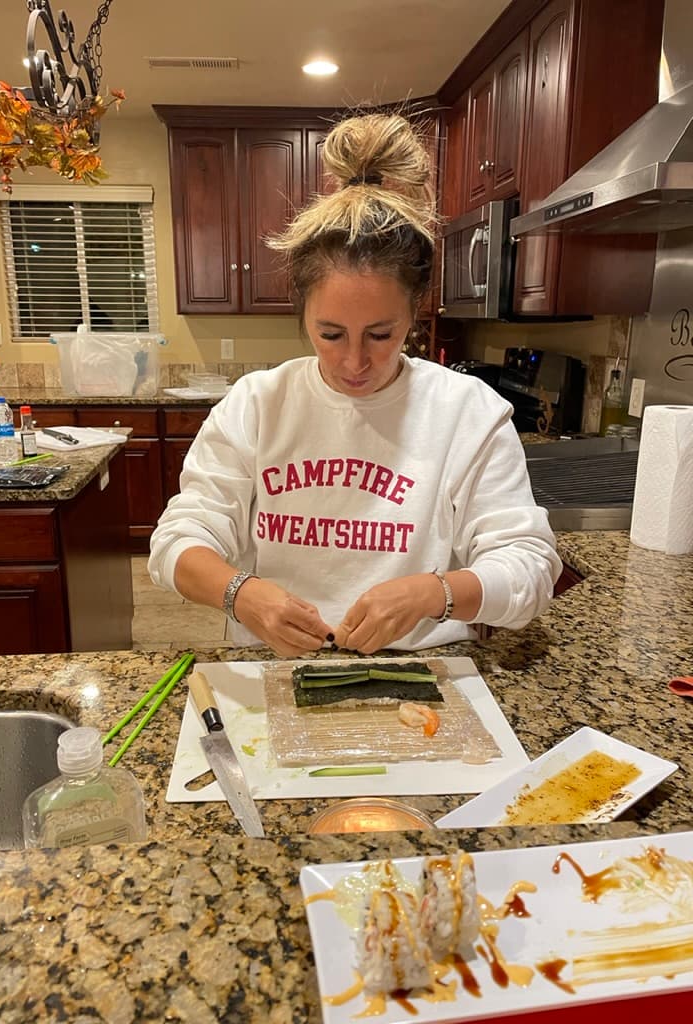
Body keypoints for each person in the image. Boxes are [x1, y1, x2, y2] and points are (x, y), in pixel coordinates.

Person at [148, 112, 562, 657]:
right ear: (301, 313)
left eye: (381, 334)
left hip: (422, 672)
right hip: (276, 667)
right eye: (330, 333)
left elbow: (530, 568)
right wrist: (242, 595)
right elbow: (175, 544)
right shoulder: (256, 405)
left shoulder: (468, 413)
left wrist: (433, 593)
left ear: (414, 312)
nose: (354, 361)